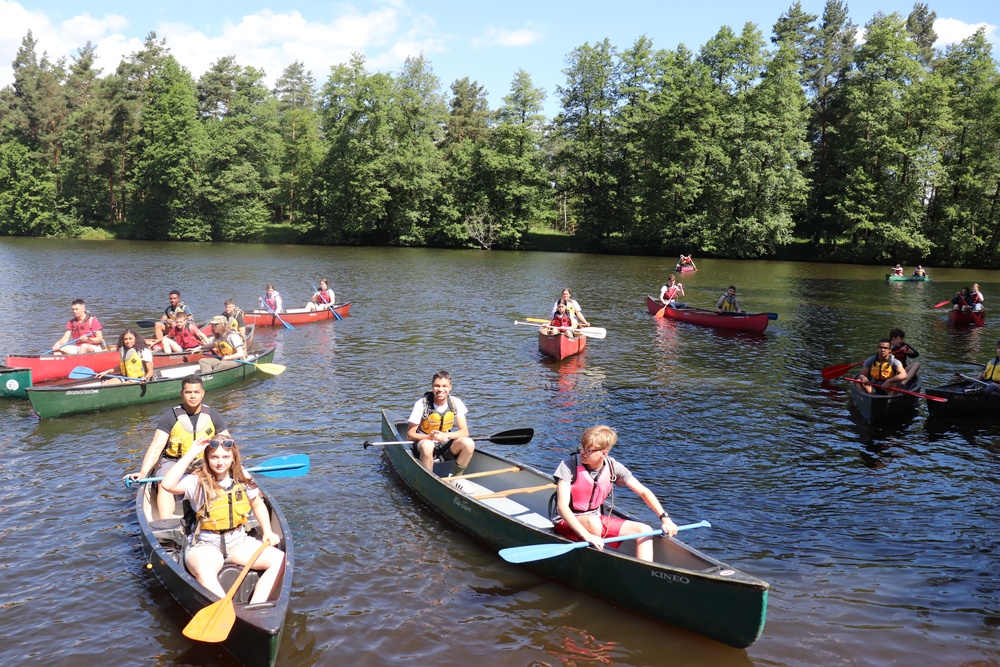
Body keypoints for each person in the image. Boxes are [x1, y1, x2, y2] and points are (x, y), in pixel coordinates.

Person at [159, 437, 285, 605]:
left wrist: (268, 531)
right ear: (207, 458)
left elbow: (257, 504)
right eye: (214, 457)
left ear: (233, 458)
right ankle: (227, 611)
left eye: (225, 457)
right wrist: (191, 453)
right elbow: (167, 484)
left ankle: (256, 608)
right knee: (204, 571)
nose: (220, 462)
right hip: (206, 545)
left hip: (239, 541)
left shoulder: (242, 477)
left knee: (280, 559)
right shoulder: (196, 481)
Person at [552, 425, 678, 562]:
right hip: (566, 522)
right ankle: (599, 560)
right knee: (593, 522)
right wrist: (586, 535)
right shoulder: (568, 465)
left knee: (645, 530)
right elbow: (562, 507)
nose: (582, 452)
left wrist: (665, 518)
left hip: (595, 519)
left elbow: (643, 491)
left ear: (604, 453)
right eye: (582, 447)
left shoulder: (613, 467)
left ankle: (644, 568)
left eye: (589, 450)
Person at [125, 375, 231, 518]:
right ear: (182, 394)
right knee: (165, 484)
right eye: (188, 392)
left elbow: (229, 443)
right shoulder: (170, 417)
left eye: (196, 392)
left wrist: (236, 467)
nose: (193, 396)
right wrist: (143, 473)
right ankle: (166, 525)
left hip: (202, 462)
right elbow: (156, 447)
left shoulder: (212, 415)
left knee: (221, 478)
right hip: (173, 461)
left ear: (203, 393)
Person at [406, 371, 475, 476]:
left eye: (444, 386)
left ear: (450, 387)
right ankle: (428, 478)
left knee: (469, 443)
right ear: (432, 387)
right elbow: (410, 435)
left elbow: (464, 432)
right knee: (428, 446)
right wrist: (430, 437)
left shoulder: (456, 403)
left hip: (445, 443)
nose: (440, 389)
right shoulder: (421, 404)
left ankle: (456, 478)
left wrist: (445, 435)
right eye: (437, 386)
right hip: (424, 443)